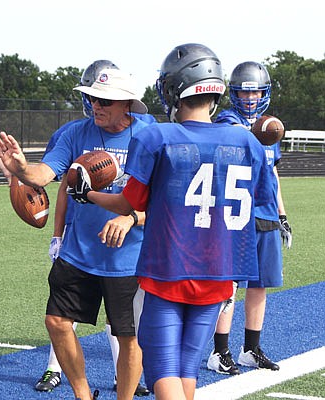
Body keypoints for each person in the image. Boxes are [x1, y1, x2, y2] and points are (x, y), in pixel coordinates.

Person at [68, 43, 276, 400]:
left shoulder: (158, 137)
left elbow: (127, 202)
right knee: (185, 370)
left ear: (174, 90)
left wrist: (88, 195)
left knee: (162, 370)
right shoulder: (246, 142)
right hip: (220, 274)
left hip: (169, 270)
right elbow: (260, 202)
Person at [0, 68, 149, 400]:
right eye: (93, 98)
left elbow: (167, 200)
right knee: (56, 322)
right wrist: (21, 169)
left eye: (105, 100)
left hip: (129, 257)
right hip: (78, 252)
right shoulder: (74, 133)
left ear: (127, 104)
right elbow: (45, 174)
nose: (96, 105)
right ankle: (83, 396)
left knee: (129, 337)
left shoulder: (149, 136)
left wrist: (131, 218)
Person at [206, 61, 292, 375]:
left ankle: (251, 349)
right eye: (244, 91)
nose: (250, 97)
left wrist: (282, 214)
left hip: (266, 213)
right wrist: (259, 129)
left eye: (255, 90)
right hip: (236, 213)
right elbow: (234, 136)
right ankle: (220, 351)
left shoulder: (269, 124)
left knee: (260, 285)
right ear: (234, 93)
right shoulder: (229, 121)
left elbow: (273, 172)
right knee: (229, 285)